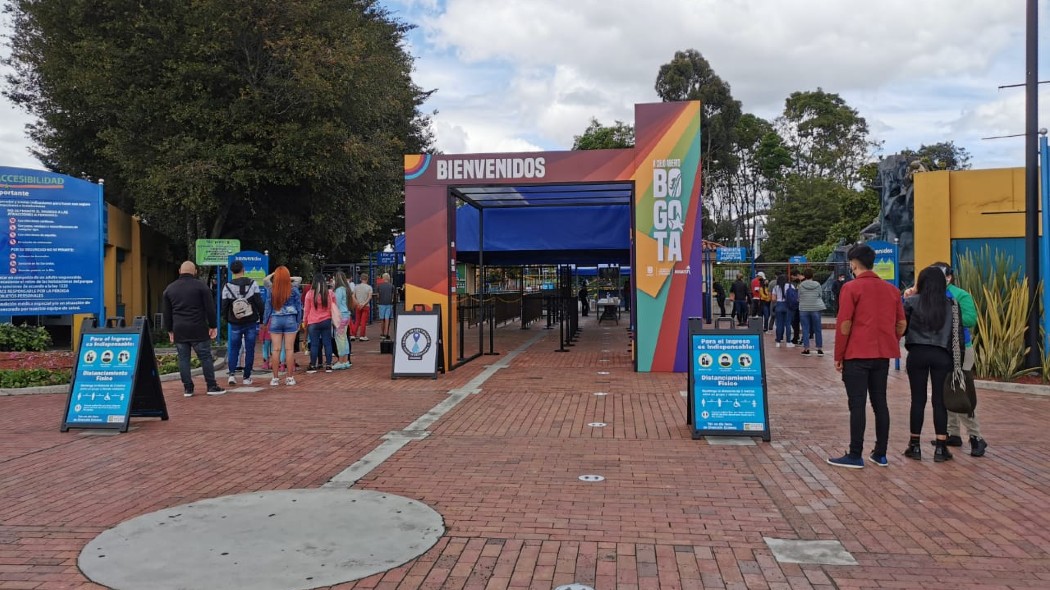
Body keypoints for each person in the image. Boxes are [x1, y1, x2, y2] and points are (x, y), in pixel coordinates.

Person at [828, 244, 906, 469]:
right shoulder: (892, 291)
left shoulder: (851, 288)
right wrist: (890, 340)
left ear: (853, 264)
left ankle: (855, 454)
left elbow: (844, 324)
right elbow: (901, 323)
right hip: (881, 356)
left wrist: (839, 355)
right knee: (880, 403)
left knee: (857, 404)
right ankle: (880, 453)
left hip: (856, 354)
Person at [927, 262, 988, 457]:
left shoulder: (960, 295)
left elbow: (970, 319)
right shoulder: (931, 295)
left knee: (960, 392)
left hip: (960, 349)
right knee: (946, 392)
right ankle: (952, 433)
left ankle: (976, 436)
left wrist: (947, 310)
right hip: (940, 349)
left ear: (948, 277)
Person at [901, 266, 956, 462]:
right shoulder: (951, 304)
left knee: (918, 399)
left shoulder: (911, 302)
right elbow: (955, 336)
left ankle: (914, 445)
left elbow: (901, 328)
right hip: (942, 354)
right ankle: (941, 447)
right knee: (940, 401)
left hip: (917, 353)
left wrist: (909, 295)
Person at [162, 261, 225, 397]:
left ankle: (188, 388)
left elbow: (167, 313)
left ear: (179, 270)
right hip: (198, 327)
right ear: (195, 271)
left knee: (183, 359)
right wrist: (213, 326)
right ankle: (211, 386)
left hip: (179, 328)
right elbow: (210, 309)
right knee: (205, 357)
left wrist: (170, 330)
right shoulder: (201, 287)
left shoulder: (169, 289)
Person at [221, 259, 264, 386]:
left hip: (235, 322)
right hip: (250, 321)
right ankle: (246, 377)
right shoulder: (253, 284)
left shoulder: (227, 286)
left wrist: (227, 319)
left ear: (231, 272)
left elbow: (224, 306)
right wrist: (261, 319)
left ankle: (232, 375)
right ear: (243, 270)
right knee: (250, 349)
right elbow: (259, 303)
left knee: (234, 348)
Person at [263, 266, 303, 387]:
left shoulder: (271, 289)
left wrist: (265, 322)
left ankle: (275, 378)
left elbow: (267, 307)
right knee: (289, 349)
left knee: (275, 350)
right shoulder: (294, 289)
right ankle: (290, 378)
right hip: (290, 319)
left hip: (275, 319)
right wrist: (298, 321)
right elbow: (299, 306)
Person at [303, 272, 340, 373]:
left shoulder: (309, 294)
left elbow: (306, 309)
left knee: (314, 344)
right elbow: (334, 306)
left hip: (313, 322)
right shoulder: (330, 293)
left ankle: (313, 365)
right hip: (326, 321)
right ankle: (328, 365)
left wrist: (304, 322)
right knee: (327, 343)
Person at [798, 268, 826, 356]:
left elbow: (799, 296)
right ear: (812, 275)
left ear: (804, 276)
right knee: (817, 329)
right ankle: (819, 349)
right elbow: (820, 295)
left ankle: (806, 349)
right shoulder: (817, 284)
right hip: (816, 308)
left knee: (805, 329)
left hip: (804, 308)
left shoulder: (801, 285)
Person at [331, 271, 353, 370]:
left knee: (339, 338)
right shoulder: (347, 289)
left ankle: (340, 360)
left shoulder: (339, 290)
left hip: (340, 317)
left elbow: (336, 304)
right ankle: (345, 360)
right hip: (346, 315)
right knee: (344, 338)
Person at [771, 274, 795, 347]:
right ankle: (788, 342)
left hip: (779, 305)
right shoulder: (791, 286)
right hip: (788, 306)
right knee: (788, 324)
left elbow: (773, 299)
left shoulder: (775, 287)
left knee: (779, 324)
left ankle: (778, 342)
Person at [351, 273, 373, 341]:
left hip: (358, 306)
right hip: (365, 306)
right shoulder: (369, 287)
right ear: (367, 279)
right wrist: (363, 304)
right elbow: (369, 297)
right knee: (363, 321)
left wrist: (358, 303)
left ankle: (353, 335)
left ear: (360, 279)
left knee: (357, 321)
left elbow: (353, 296)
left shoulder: (356, 287)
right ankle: (362, 336)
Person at [376, 272, 396, 339]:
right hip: (389, 304)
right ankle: (386, 333)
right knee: (387, 319)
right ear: (389, 278)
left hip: (381, 304)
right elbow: (393, 297)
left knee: (382, 319)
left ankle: (382, 333)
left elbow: (378, 296)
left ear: (383, 278)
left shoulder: (379, 286)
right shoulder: (392, 286)